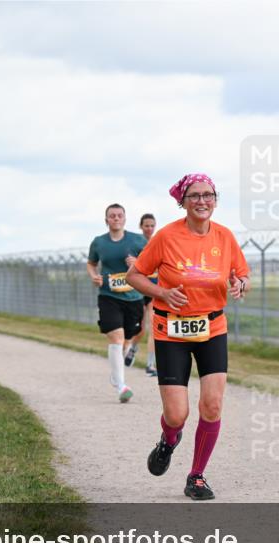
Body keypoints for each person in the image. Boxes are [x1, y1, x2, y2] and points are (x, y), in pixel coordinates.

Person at [126, 173, 250, 500]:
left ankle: (196, 476)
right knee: (177, 414)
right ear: (182, 201)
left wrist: (240, 284)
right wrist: (162, 293)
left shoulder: (224, 237)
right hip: (172, 330)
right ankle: (168, 440)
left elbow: (241, 273)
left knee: (212, 404)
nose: (202, 201)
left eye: (208, 195)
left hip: (212, 327)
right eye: (194, 195)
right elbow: (134, 275)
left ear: (216, 199)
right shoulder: (166, 237)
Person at [87, 203, 148, 403]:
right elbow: (91, 263)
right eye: (111, 216)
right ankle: (121, 386)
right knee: (117, 338)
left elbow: (152, 263)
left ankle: (116, 373)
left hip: (134, 297)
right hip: (108, 296)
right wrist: (94, 276)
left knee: (129, 338)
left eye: (119, 215)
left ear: (124, 219)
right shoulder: (99, 243)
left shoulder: (138, 240)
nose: (115, 218)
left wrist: (137, 264)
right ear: (106, 220)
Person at [130, 213, 160, 377]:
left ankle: (150, 364)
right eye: (146, 225)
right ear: (141, 226)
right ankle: (133, 348)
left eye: (152, 225)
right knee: (141, 329)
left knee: (154, 328)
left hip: (154, 290)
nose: (149, 228)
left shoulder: (158, 242)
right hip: (139, 291)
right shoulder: (135, 244)